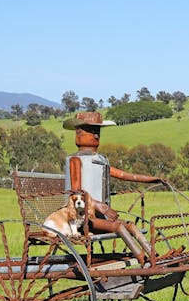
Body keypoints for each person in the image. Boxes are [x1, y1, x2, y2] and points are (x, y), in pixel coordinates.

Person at [63, 111, 165, 264]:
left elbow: (124, 175)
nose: (96, 136)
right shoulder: (76, 160)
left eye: (98, 132)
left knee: (130, 225)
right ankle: (142, 259)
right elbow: (76, 191)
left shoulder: (101, 160)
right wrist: (99, 205)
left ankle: (154, 256)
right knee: (118, 227)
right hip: (82, 217)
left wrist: (153, 179)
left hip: (96, 218)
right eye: (91, 131)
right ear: (78, 134)